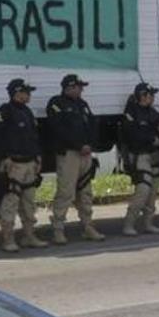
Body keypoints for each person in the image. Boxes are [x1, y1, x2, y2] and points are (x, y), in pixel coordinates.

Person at [0, 79, 47, 253]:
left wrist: (37, 157)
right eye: (26, 92)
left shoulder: (27, 112)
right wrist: (4, 159)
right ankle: (8, 239)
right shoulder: (5, 111)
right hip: (14, 164)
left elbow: (34, 136)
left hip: (29, 163)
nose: (29, 95)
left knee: (29, 202)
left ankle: (29, 236)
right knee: (10, 202)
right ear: (17, 93)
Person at [47, 74, 104, 244]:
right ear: (69, 87)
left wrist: (90, 144)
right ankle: (58, 229)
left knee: (85, 192)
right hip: (69, 154)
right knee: (66, 192)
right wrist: (79, 145)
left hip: (85, 154)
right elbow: (58, 129)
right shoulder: (56, 103)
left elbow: (92, 125)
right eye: (79, 87)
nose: (81, 90)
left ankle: (88, 226)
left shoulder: (82, 104)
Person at [121, 82, 159, 236]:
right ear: (142, 96)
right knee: (143, 190)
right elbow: (132, 135)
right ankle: (129, 224)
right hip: (140, 155)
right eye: (150, 94)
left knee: (153, 192)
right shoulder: (131, 113)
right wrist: (151, 139)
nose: (153, 97)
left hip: (155, 155)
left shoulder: (151, 111)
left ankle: (148, 223)